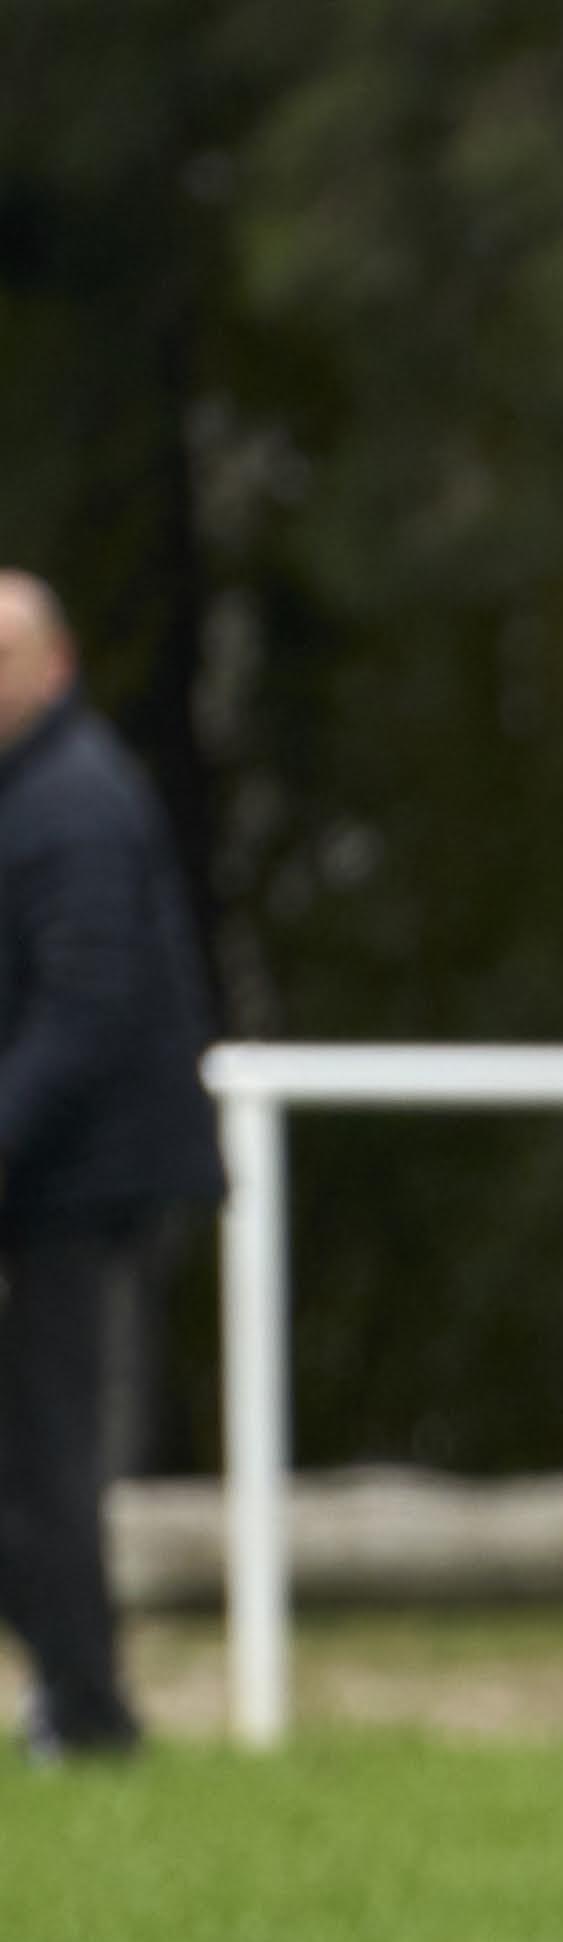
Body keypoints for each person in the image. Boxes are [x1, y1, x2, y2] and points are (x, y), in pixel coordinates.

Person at [0, 572, 222, 1761]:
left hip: (84, 1191)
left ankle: (87, 1713)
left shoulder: (73, 799)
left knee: (51, 1464)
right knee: (35, 1464)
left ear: (56, 663)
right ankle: (77, 1696)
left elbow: (83, 1015)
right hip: (49, 1181)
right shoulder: (31, 789)